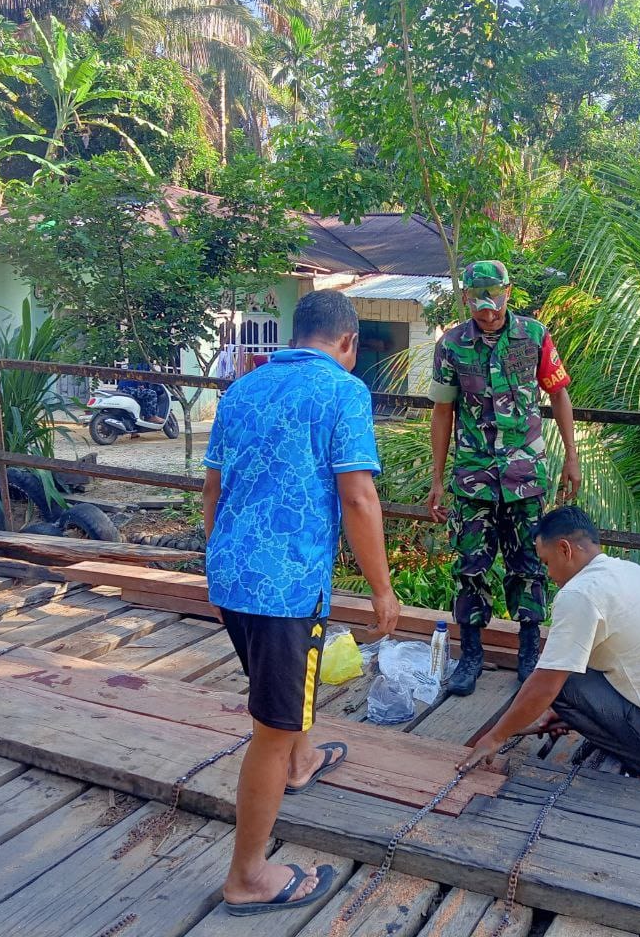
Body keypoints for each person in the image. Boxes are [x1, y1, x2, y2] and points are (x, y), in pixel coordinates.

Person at [202, 288, 401, 915]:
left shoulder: (243, 389)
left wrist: (221, 561)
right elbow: (358, 497)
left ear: (295, 335)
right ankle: (247, 876)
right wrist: (382, 587)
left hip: (232, 574)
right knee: (273, 727)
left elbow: (212, 487)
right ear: (348, 342)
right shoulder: (344, 391)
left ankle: (303, 760)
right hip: (284, 589)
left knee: (281, 695)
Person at [462, 506, 640, 778]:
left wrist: (496, 736)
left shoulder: (580, 594)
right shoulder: (626, 571)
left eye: (547, 562)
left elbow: (545, 685)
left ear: (565, 549)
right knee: (567, 667)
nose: (548, 574)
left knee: (559, 683)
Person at [427, 259, 582, 693]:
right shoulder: (452, 345)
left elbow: (559, 395)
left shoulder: (534, 336)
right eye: (479, 301)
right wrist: (437, 479)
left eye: (494, 299)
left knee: (530, 565)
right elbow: (442, 412)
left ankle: (529, 655)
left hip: (525, 476)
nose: (488, 310)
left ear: (508, 292)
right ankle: (471, 657)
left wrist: (572, 457)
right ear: (465, 299)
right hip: (473, 477)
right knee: (470, 567)